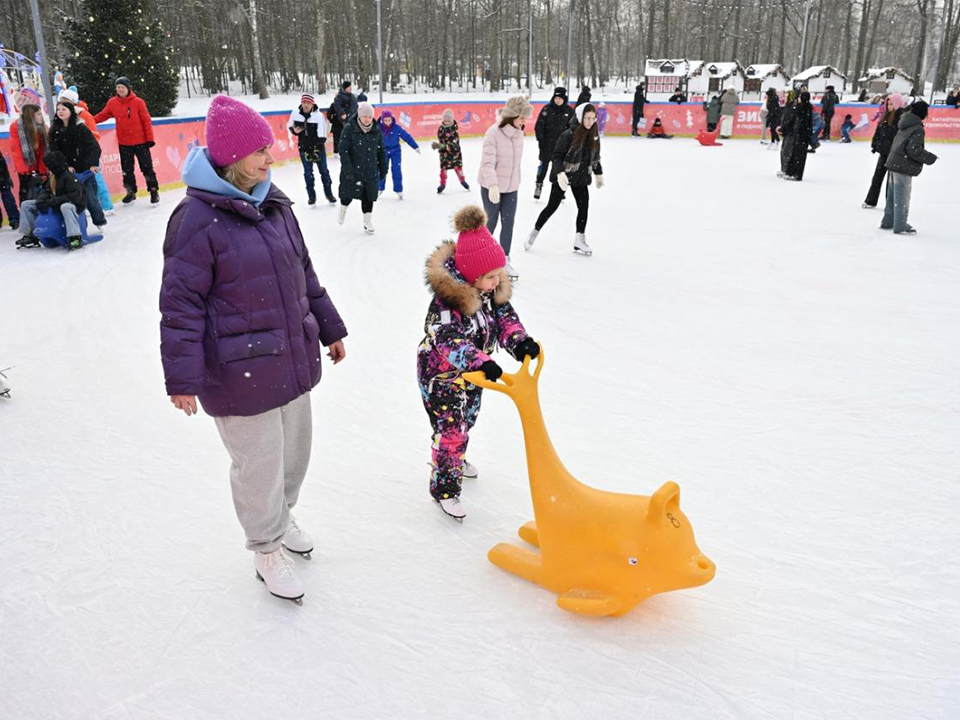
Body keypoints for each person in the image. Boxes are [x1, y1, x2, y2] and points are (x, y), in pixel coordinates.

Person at [159, 95, 348, 605]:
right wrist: (182, 378)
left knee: (293, 456)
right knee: (259, 464)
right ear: (231, 158)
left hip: (290, 355)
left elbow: (303, 272)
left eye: (269, 148)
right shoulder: (195, 220)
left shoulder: (275, 203)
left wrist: (329, 326)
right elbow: (180, 306)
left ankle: (281, 521)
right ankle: (265, 547)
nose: (271, 158)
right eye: (260, 151)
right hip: (238, 371)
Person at [418, 204, 537, 521]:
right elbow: (448, 340)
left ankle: (454, 456)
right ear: (471, 275)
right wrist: (479, 360)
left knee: (468, 420)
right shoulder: (447, 302)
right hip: (441, 377)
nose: (498, 281)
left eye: (499, 274)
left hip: (474, 376)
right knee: (452, 431)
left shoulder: (490, 292)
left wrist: (519, 341)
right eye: (491, 276)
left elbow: (506, 320)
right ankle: (445, 488)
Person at [526, 103, 604, 256]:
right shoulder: (568, 135)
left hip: (581, 176)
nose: (590, 121)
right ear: (580, 117)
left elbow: (595, 156)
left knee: (584, 206)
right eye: (587, 118)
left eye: (592, 118)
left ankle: (579, 239)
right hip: (564, 175)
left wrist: (598, 173)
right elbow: (556, 156)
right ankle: (534, 232)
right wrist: (560, 173)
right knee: (551, 207)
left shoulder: (593, 135)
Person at [479, 95, 532, 280]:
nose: (524, 121)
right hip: (491, 187)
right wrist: (493, 185)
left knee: (508, 222)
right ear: (512, 116)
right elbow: (487, 164)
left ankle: (504, 260)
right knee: (490, 223)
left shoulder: (519, 134)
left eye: (526, 118)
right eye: (522, 118)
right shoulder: (493, 133)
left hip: (511, 187)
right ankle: (482, 258)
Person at [94, 77, 159, 205]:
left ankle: (153, 190)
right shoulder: (112, 102)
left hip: (141, 142)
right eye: (118, 87)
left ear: (128, 88)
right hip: (124, 143)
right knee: (127, 169)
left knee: (146, 168)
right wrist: (89, 121)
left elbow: (146, 121)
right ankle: (131, 192)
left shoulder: (138, 102)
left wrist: (149, 139)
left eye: (122, 87)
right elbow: (103, 115)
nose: (120, 89)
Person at [48, 92, 106, 230]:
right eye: (58, 110)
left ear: (71, 111)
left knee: (91, 197)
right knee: (69, 200)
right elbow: (55, 152)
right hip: (66, 173)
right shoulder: (55, 130)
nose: (60, 112)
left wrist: (92, 164)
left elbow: (93, 146)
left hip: (84, 169)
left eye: (64, 109)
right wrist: (65, 166)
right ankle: (76, 226)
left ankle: (99, 221)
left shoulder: (81, 127)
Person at [882, 101, 937, 234]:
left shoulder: (905, 123)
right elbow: (913, 150)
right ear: (922, 113)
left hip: (894, 162)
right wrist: (929, 158)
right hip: (902, 165)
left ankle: (888, 221)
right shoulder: (917, 128)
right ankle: (900, 225)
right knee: (902, 196)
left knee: (892, 196)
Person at [15, 150, 87, 251]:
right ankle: (31, 235)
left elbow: (75, 195)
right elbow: (46, 191)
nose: (47, 168)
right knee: (26, 205)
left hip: (73, 205)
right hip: (55, 203)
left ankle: (75, 237)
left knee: (65, 206)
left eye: (49, 165)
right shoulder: (53, 176)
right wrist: (41, 200)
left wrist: (55, 201)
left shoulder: (68, 177)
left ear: (55, 165)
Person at [337, 101, 387, 234]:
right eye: (365, 116)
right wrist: (348, 168)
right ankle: (343, 209)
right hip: (353, 169)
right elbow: (343, 150)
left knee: (368, 195)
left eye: (370, 117)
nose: (367, 119)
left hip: (370, 169)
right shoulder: (349, 128)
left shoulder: (376, 131)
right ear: (359, 116)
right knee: (347, 193)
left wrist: (384, 168)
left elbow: (381, 151)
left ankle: (367, 221)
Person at [67, 86, 115, 216]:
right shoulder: (67, 116)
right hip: (76, 157)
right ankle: (87, 207)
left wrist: (86, 150)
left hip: (88, 155)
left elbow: (94, 136)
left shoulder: (84, 115)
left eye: (65, 100)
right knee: (80, 183)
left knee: (96, 179)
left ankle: (107, 206)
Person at [288, 93, 336, 205]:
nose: (306, 105)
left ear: (312, 104)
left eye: (308, 103)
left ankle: (329, 194)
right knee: (308, 173)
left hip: (317, 148)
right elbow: (290, 126)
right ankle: (311, 196)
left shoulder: (318, 116)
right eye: (304, 102)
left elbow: (322, 136)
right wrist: (295, 131)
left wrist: (315, 149)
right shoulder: (295, 113)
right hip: (303, 148)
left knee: (324, 172)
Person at [864, 94, 905, 208]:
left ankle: (890, 203)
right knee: (877, 177)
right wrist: (875, 144)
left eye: (891, 104)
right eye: (888, 104)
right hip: (884, 153)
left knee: (891, 181)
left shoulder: (901, 119)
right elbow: (879, 131)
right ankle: (870, 201)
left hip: (894, 154)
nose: (889, 106)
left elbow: (899, 137)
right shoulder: (886, 115)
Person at [533, 86, 574, 199]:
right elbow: (539, 126)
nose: (558, 100)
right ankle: (539, 185)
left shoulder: (569, 111)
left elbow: (573, 129)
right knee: (543, 166)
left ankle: (559, 190)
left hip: (562, 147)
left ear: (564, 98)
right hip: (547, 145)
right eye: (556, 97)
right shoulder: (547, 109)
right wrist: (540, 140)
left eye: (560, 98)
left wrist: (570, 143)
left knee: (559, 169)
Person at [9, 88, 48, 204]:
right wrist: (26, 171)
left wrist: (42, 170)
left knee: (43, 195)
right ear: (31, 116)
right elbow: (17, 150)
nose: (42, 116)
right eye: (39, 114)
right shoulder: (17, 126)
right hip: (26, 168)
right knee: (27, 196)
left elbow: (43, 151)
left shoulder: (43, 128)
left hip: (40, 168)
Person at [377, 109, 420, 199]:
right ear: (382, 120)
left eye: (389, 120)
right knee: (382, 170)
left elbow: (406, 136)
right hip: (383, 151)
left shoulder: (396, 128)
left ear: (392, 119)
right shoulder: (378, 128)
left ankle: (398, 189)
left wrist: (415, 146)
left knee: (396, 169)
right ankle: (379, 188)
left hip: (396, 151)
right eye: (385, 120)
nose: (387, 122)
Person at [433, 109, 470, 193]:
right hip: (444, 154)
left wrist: (442, 146)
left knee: (458, 169)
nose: (446, 122)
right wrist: (440, 146)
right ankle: (442, 184)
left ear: (451, 120)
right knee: (443, 170)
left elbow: (454, 144)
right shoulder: (441, 128)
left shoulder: (454, 130)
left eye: (448, 120)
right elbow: (440, 138)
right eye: (445, 120)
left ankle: (462, 181)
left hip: (455, 154)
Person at [782, 91, 813, 181]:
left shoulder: (802, 108)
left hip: (801, 135)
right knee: (796, 155)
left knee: (798, 156)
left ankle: (796, 174)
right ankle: (792, 172)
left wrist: (784, 127)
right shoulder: (807, 107)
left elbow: (795, 120)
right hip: (801, 135)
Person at [332, 80, 358, 153]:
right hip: (344, 119)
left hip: (353, 118)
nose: (350, 88)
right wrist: (342, 113)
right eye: (348, 87)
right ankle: (342, 150)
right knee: (343, 135)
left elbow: (355, 106)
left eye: (351, 87)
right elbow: (336, 105)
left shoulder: (352, 96)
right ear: (345, 88)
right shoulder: (340, 96)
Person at [777, 90, 797, 177]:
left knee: (787, 151)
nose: (785, 97)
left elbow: (790, 120)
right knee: (784, 151)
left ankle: (786, 169)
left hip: (791, 132)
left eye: (787, 96)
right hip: (787, 131)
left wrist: (783, 127)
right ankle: (784, 168)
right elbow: (785, 118)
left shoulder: (793, 106)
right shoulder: (788, 106)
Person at [0, 152, 20, 230]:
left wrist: (7, 177)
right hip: (3, 178)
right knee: (8, 199)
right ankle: (14, 219)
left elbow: (3, 166)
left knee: (8, 199)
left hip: (3, 178)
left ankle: (14, 219)